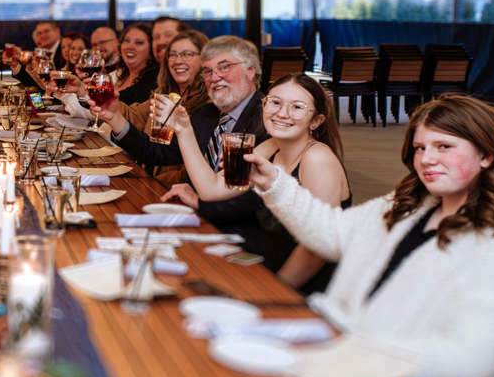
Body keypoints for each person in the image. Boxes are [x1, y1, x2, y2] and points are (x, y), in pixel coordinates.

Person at [247, 95, 494, 377]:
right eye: (421, 147)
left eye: (444, 146)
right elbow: (332, 233)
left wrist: (353, 348)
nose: (427, 158)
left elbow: (470, 362)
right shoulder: (408, 207)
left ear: (487, 156)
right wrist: (276, 184)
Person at [157, 73, 351, 289]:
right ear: (263, 105)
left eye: (297, 107)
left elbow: (317, 247)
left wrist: (275, 289)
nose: (281, 113)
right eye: (275, 102)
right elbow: (211, 190)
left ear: (316, 121)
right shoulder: (269, 147)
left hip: (306, 286)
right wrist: (184, 130)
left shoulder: (317, 159)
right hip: (268, 265)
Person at [90, 34, 270, 255]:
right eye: (208, 71)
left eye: (224, 68)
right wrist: (114, 117)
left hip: (238, 237)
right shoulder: (207, 115)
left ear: (251, 70)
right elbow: (158, 153)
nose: (214, 77)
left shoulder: (268, 118)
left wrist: (200, 202)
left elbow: (259, 198)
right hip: (193, 223)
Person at [114, 29, 211, 187]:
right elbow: (133, 116)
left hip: (171, 190)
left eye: (187, 54)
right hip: (148, 180)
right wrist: (100, 98)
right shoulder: (165, 94)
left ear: (205, 60)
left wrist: (151, 184)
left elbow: (195, 169)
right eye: (173, 55)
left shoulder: (208, 106)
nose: (177, 61)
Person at [113, 22, 159, 106]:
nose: (130, 47)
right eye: (126, 41)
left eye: (139, 42)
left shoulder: (154, 79)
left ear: (151, 49)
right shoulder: (115, 74)